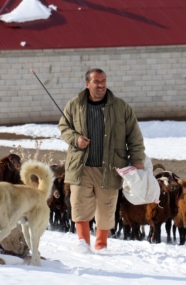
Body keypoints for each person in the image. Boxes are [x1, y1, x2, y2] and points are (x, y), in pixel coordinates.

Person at [58, 68, 146, 252]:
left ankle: (101, 244)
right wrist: (76, 139)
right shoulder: (74, 105)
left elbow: (135, 137)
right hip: (81, 166)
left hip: (111, 167)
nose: (101, 85)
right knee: (79, 203)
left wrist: (138, 161)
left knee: (107, 207)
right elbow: (64, 127)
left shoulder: (121, 107)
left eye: (103, 81)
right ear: (87, 84)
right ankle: (83, 242)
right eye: (97, 81)